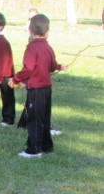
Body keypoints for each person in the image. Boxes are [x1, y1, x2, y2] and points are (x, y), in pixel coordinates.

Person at [8, 14, 68, 158]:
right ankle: (46, 147)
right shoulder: (48, 47)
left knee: (34, 119)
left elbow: (28, 69)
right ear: (47, 32)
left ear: (30, 30)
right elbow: (52, 66)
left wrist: (15, 79)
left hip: (36, 90)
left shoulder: (31, 48)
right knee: (44, 118)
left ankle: (34, 150)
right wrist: (60, 66)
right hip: (47, 89)